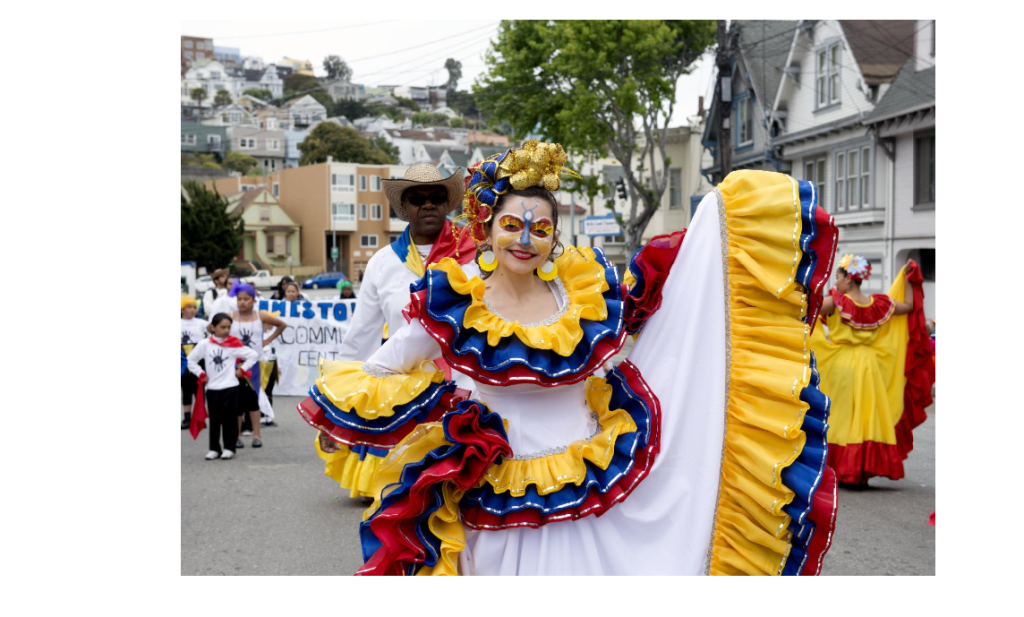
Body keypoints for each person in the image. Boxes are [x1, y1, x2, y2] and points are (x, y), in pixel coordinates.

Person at [297, 143, 840, 576]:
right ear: (486, 229)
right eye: (512, 226)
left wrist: (714, 240)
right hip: (497, 499)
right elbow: (377, 371)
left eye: (540, 229)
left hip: (587, 487)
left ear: (554, 237)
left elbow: (655, 335)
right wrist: (443, 412)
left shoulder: (582, 300)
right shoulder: (455, 302)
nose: (525, 240)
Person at [310, 164, 479, 501]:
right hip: (404, 394)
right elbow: (361, 335)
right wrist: (335, 411)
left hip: (468, 386)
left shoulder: (477, 255)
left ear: (449, 204)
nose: (428, 205)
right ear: (403, 208)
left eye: (437, 197)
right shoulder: (382, 262)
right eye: (417, 198)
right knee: (408, 499)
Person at [810, 255, 936, 488]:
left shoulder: (835, 301)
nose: (836, 283)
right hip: (870, 366)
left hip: (842, 364)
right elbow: (908, 306)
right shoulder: (878, 304)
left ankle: (843, 468)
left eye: (838, 278)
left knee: (842, 417)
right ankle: (861, 470)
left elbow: (808, 311)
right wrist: (907, 280)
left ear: (849, 278)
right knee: (868, 417)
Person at [187, 313, 259, 461]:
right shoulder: (205, 344)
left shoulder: (234, 344)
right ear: (213, 327)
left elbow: (253, 355)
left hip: (230, 387)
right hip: (212, 388)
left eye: (228, 327)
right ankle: (214, 448)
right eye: (222, 327)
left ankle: (229, 447)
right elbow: (191, 360)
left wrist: (242, 370)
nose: (226, 330)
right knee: (214, 420)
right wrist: (201, 374)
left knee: (230, 419)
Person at [230, 283, 287, 450]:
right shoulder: (230, 316)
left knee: (253, 399)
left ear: (253, 300)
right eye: (239, 299)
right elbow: (217, 329)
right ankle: (237, 435)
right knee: (237, 402)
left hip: (255, 364)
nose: (242, 302)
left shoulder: (260, 315)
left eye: (246, 299)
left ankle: (256, 435)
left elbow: (281, 324)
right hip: (235, 363)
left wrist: (267, 340)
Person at [180, 295, 208, 430]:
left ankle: (200, 416)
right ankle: (186, 416)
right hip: (183, 359)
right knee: (185, 389)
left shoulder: (201, 323)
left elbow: (212, 332)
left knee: (200, 388)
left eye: (194, 307)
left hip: (199, 359)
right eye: (189, 307)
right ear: (182, 309)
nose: (192, 310)